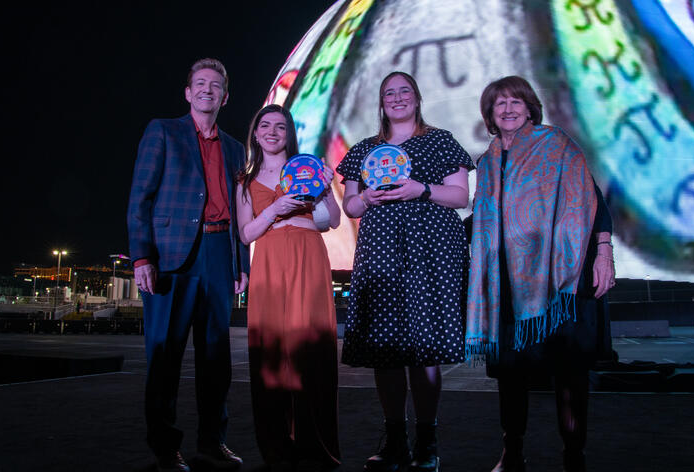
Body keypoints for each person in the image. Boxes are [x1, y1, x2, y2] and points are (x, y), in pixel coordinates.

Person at [466, 76, 615, 472]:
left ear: (531, 108)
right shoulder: (487, 162)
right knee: (511, 375)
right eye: (500, 104)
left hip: (561, 281)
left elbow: (592, 199)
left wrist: (604, 252)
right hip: (507, 286)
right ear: (490, 116)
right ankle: (512, 451)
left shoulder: (558, 146)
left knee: (568, 371)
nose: (509, 108)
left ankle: (573, 455)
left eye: (517, 101)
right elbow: (481, 222)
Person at [336, 71, 473, 472]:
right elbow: (351, 207)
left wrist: (421, 189)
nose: (397, 98)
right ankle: (395, 440)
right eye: (389, 93)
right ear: (382, 102)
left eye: (404, 92)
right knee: (386, 350)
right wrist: (366, 196)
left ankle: (427, 443)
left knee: (424, 348)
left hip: (430, 254)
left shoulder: (440, 141)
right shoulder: (365, 150)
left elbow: (461, 196)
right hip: (382, 254)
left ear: (417, 98)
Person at [127, 58, 248, 472]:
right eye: (200, 84)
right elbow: (140, 198)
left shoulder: (235, 148)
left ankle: (212, 443)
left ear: (225, 97)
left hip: (218, 255)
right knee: (165, 357)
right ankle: (165, 448)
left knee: (216, 359)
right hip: (171, 258)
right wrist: (142, 256)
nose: (207, 90)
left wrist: (240, 263)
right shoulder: (162, 131)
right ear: (187, 92)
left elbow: (241, 209)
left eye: (215, 86)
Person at [236, 104, 342, 472]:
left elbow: (332, 222)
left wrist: (326, 189)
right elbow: (246, 233)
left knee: (310, 350)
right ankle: (277, 449)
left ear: (289, 133)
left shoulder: (307, 169)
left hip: (308, 256)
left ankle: (316, 448)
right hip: (268, 261)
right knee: (271, 353)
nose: (272, 132)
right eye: (265, 125)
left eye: (280, 127)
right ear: (255, 132)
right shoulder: (245, 180)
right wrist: (276, 208)